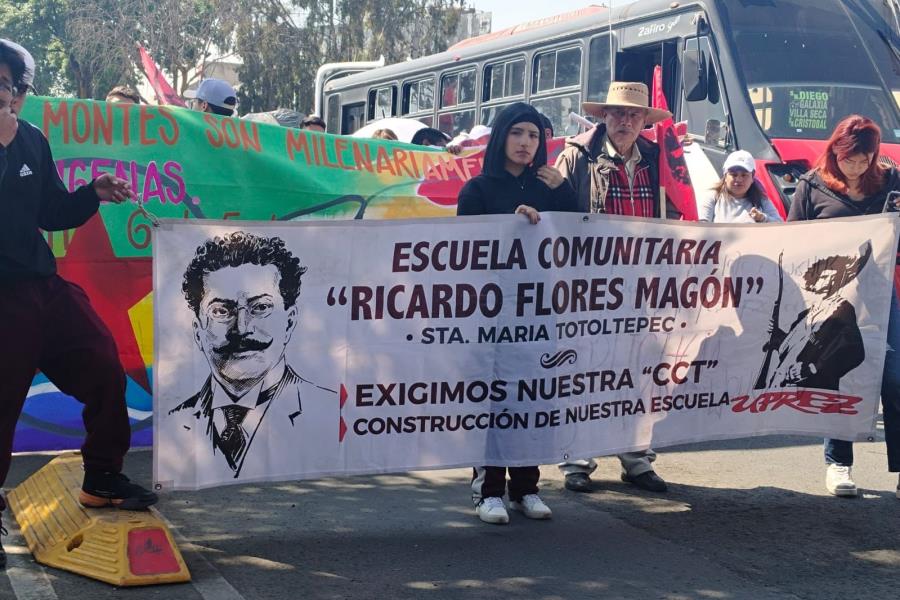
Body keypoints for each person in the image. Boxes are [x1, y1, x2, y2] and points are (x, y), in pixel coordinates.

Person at [0, 39, 158, 566]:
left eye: (7, 86)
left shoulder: (33, 141)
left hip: (43, 288)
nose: (3, 95)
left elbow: (51, 212)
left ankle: (103, 477)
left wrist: (92, 191)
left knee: (104, 365)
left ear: (22, 95)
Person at [554, 81, 684, 494]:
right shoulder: (577, 156)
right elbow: (552, 206)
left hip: (644, 286)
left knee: (641, 371)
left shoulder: (660, 158)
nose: (625, 121)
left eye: (634, 115)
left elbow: (681, 211)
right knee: (583, 369)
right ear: (603, 117)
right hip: (589, 284)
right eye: (617, 114)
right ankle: (577, 458)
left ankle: (636, 459)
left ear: (646, 120)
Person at [457, 102, 577, 524]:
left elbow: (579, 234)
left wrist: (563, 189)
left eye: (534, 135)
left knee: (532, 398)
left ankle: (526, 487)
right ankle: (487, 490)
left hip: (539, 314)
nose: (526, 143)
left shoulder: (549, 186)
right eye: (518, 133)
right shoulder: (477, 190)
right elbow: (464, 252)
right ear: (501, 136)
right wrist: (507, 225)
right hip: (492, 316)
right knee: (491, 401)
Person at [787, 114, 900, 499]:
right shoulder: (811, 186)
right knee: (837, 376)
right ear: (835, 151)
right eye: (849, 158)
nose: (856, 167)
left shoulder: (891, 184)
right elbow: (791, 241)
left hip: (881, 296)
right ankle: (838, 464)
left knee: (894, 378)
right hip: (831, 300)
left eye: (864, 159)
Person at [170, 231, 336, 479]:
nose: (242, 328)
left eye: (260, 308)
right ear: (198, 331)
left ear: (290, 322)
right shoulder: (172, 423)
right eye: (221, 311)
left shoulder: (331, 411)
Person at [698, 150, 783, 223]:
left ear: (752, 177)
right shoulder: (713, 196)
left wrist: (763, 218)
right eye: (733, 175)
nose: (738, 179)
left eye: (744, 175)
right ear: (725, 176)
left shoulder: (762, 200)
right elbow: (703, 225)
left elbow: (779, 225)